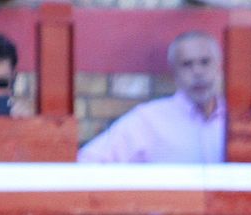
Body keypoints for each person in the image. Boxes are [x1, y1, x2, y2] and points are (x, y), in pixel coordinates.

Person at [77, 31, 224, 164]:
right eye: (187, 64)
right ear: (174, 74)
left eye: (205, 62)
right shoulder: (148, 119)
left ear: (219, 66)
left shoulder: (238, 118)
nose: (198, 72)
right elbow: (89, 161)